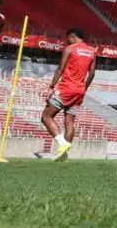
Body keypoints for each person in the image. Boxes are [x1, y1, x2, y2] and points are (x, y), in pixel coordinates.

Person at [41, 28, 96, 161]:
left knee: (46, 116)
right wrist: (84, 88)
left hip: (66, 89)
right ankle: (63, 154)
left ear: (72, 37)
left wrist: (51, 86)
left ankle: (62, 143)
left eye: (68, 39)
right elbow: (92, 73)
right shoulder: (91, 51)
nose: (67, 42)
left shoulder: (70, 49)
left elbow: (60, 69)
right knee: (69, 121)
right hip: (79, 91)